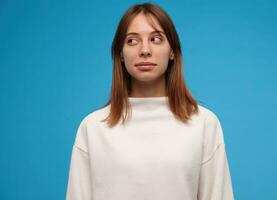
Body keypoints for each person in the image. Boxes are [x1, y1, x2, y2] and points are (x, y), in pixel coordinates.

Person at [66, 2, 234, 200]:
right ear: (120, 53)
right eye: (132, 41)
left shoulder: (204, 123)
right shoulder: (93, 128)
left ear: (172, 51)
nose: (145, 50)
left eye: (156, 39)